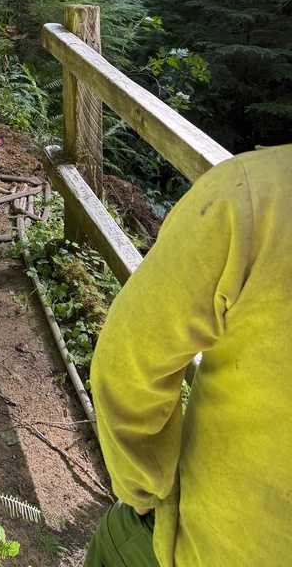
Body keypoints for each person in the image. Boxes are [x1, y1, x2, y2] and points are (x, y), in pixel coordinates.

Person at [84, 143, 292, 567]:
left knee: (117, 540)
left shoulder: (255, 194)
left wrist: (143, 486)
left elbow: (126, 365)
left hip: (213, 541)